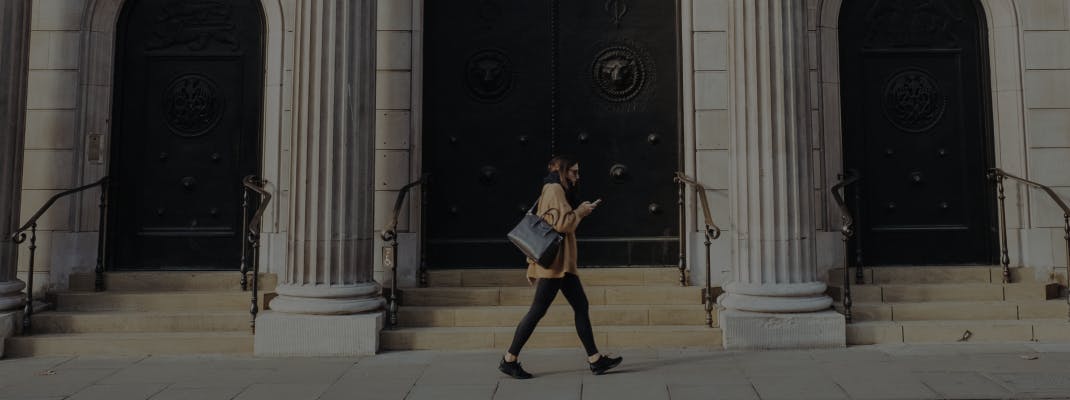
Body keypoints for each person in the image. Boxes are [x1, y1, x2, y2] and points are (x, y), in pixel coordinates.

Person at [498, 155, 623, 379]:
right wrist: (581, 212)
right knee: (537, 311)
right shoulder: (554, 189)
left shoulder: (553, 188)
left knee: (580, 306)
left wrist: (578, 211)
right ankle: (509, 359)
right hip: (554, 264)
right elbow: (562, 224)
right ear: (562, 171)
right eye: (573, 172)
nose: (577, 176)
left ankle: (595, 360)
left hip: (560, 264)